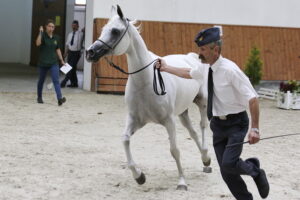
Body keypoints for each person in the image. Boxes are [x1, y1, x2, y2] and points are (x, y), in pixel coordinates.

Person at [155, 27, 269, 200]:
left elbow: (253, 99)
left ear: (215, 50)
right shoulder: (205, 67)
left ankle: (255, 170)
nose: (199, 53)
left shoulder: (230, 70)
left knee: (229, 163)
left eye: (203, 49)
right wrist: (166, 68)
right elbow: (189, 73)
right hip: (218, 124)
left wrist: (255, 129)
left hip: (236, 124)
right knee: (226, 172)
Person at [36, 19, 66, 106]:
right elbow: (37, 43)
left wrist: (62, 60)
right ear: (46, 27)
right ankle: (39, 97)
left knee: (56, 80)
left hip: (53, 62)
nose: (51, 28)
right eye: (49, 26)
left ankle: (59, 99)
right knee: (41, 81)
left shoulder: (56, 38)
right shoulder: (43, 36)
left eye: (53, 27)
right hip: (43, 63)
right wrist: (40, 32)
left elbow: (57, 49)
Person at [60, 20, 84, 88]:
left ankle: (64, 81)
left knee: (69, 67)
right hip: (70, 52)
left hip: (76, 53)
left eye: (75, 26)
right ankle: (74, 83)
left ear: (78, 26)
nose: (73, 27)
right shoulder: (70, 34)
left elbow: (86, 28)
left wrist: (84, 29)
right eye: (72, 25)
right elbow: (68, 45)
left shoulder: (81, 34)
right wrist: (65, 53)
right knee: (71, 68)